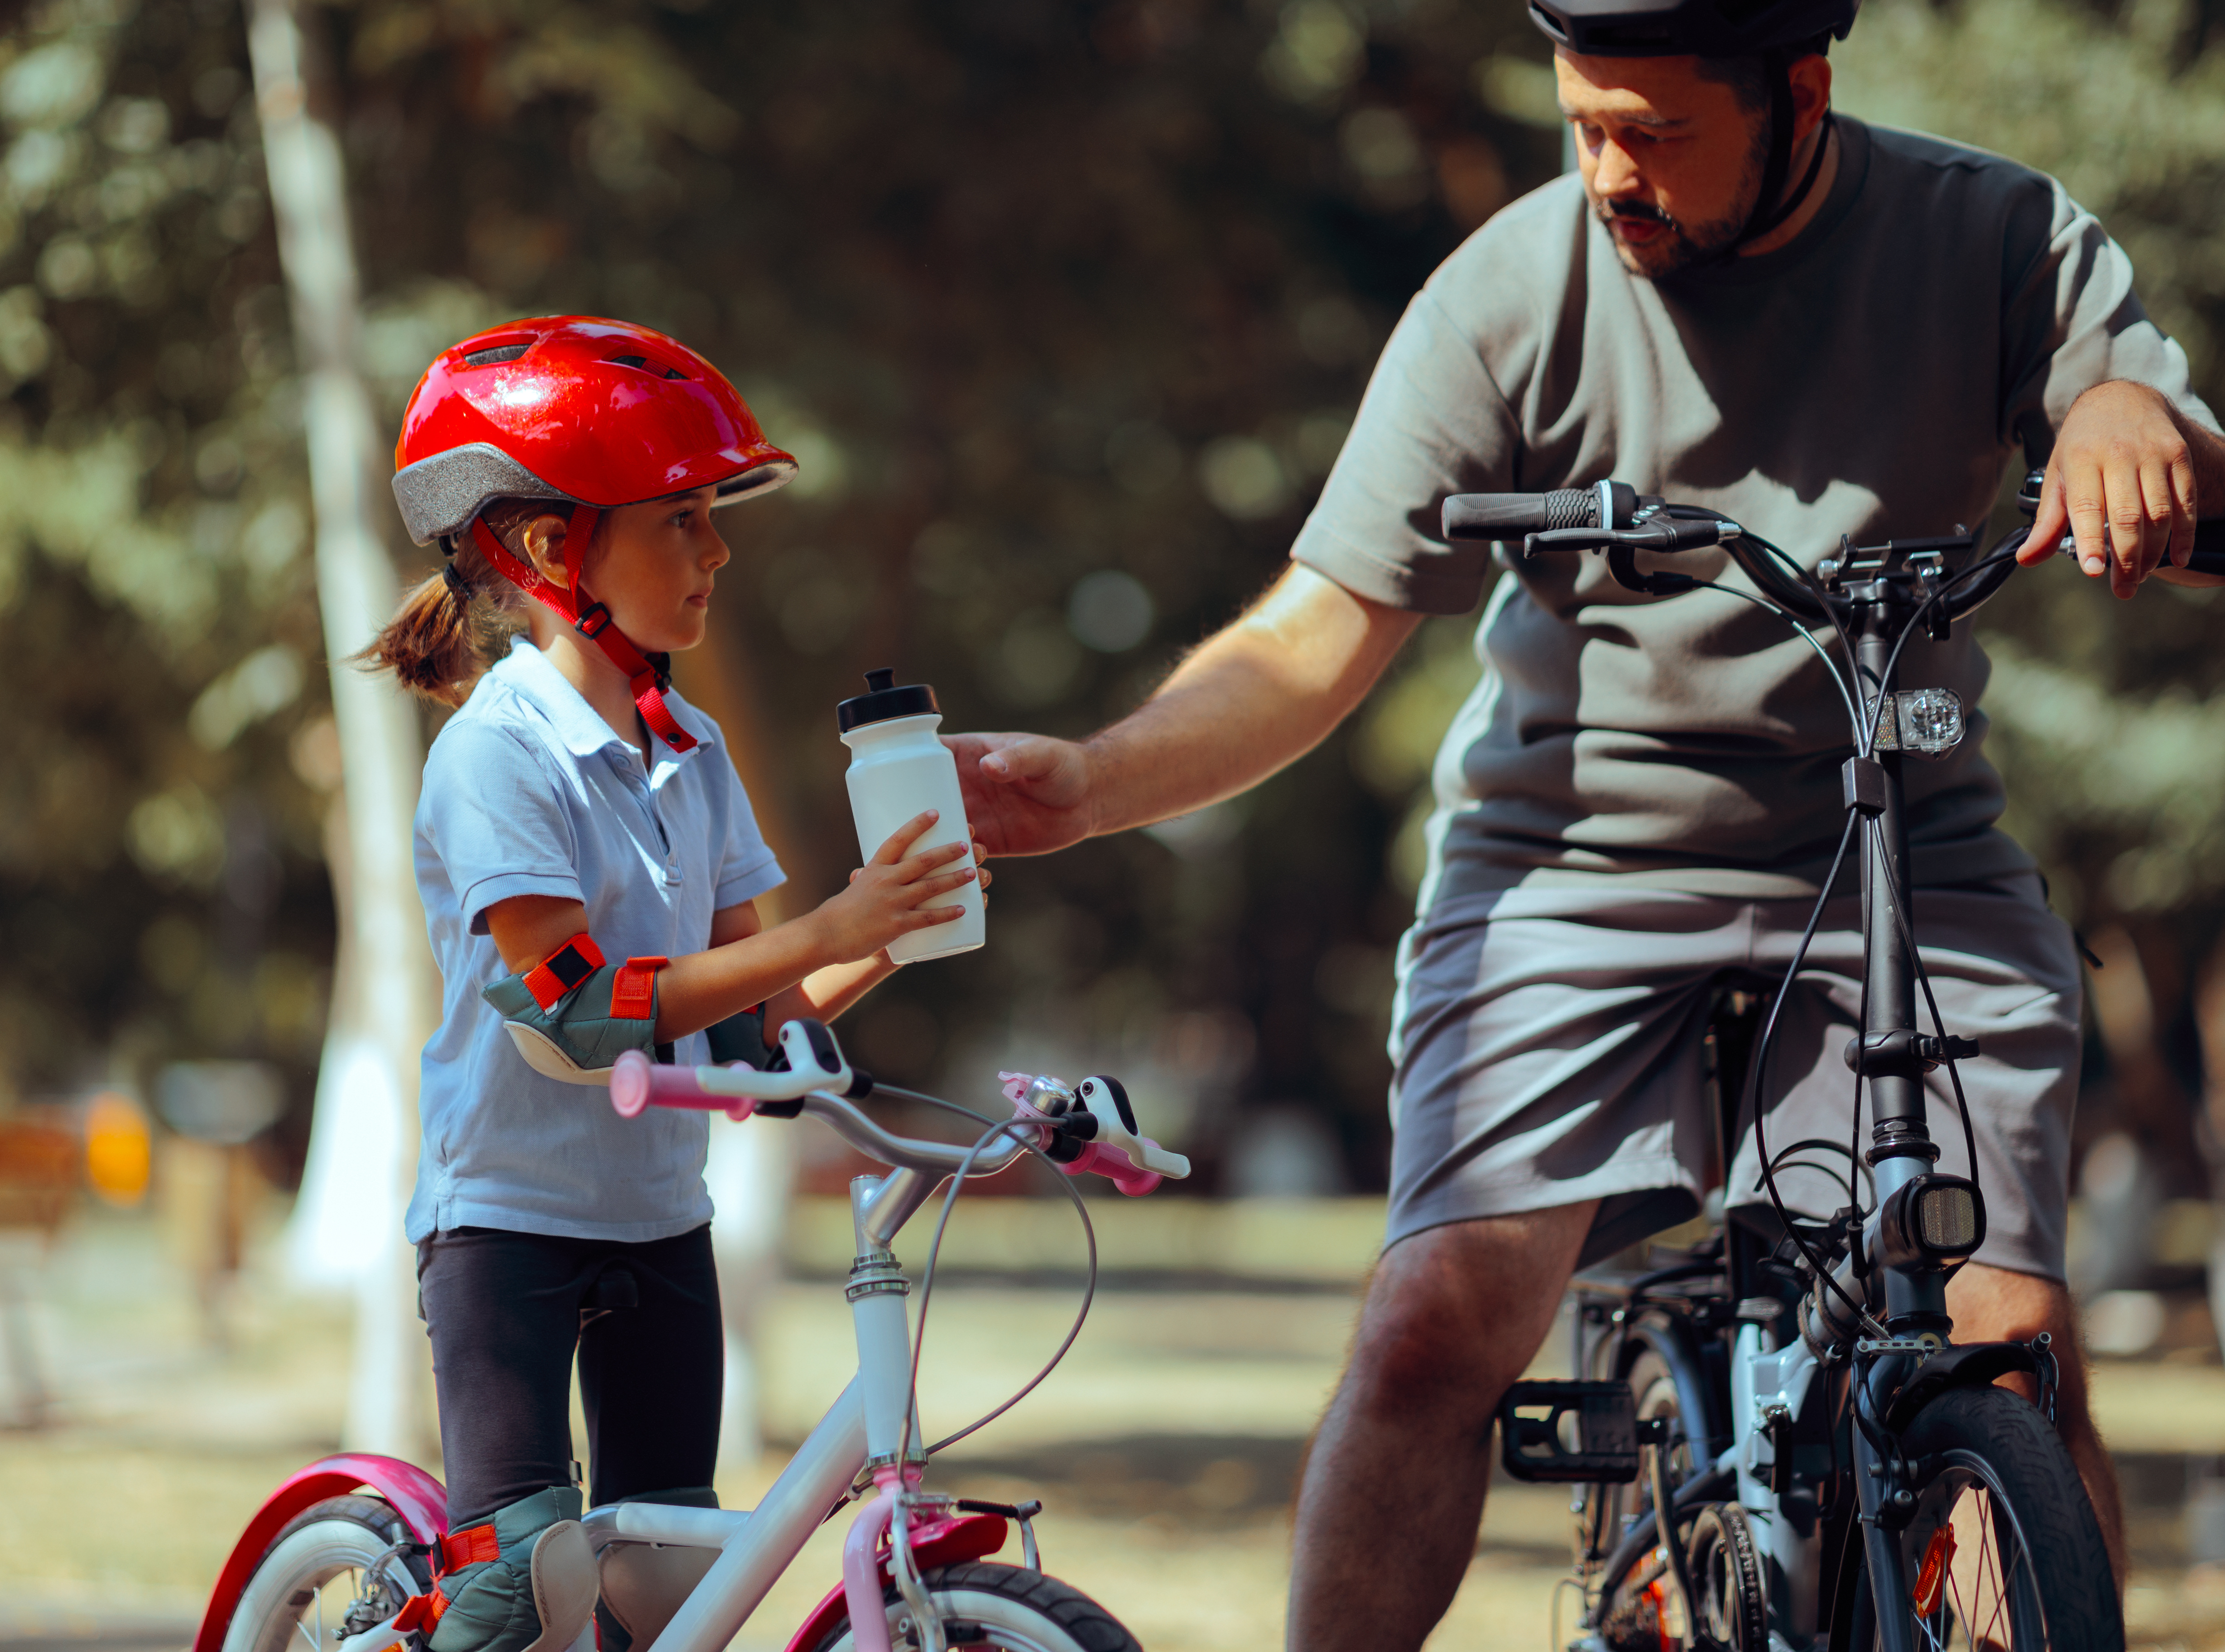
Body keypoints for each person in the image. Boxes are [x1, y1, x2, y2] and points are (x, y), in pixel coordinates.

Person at [948, 2, 2225, 1645]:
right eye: (1582, 123)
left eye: (1656, 131)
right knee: (1429, 1323)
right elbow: (1318, 632)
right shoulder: (1507, 292)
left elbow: (2156, 459)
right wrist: (1088, 783)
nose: (1608, 169)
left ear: (1804, 96)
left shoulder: (1994, 234)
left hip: (1902, 858)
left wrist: (2136, 421)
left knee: (2012, 1342)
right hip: (1573, 869)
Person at [368, 316, 982, 1652]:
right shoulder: (497, 758)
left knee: (660, 1598)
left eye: (713, 517)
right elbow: (580, 1010)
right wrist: (829, 921)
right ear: (549, 550)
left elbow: (753, 1025)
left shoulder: (690, 748)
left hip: (658, 1224)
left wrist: (908, 912)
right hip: (510, 1226)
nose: (717, 550)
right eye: (683, 519)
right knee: (518, 1589)